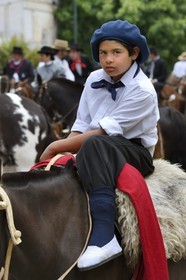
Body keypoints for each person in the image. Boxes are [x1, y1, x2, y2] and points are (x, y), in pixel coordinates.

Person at [40, 20, 159, 270]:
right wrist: (62, 152)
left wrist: (54, 146)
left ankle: (104, 236)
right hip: (97, 143)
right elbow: (81, 124)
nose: (108, 60)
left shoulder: (143, 91)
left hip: (132, 150)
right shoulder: (94, 78)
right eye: (103, 53)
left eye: (116, 53)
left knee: (95, 144)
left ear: (133, 53)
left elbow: (101, 132)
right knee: (60, 164)